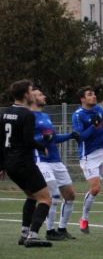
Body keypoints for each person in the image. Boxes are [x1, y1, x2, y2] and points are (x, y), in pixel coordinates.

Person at [0, 80, 52, 247]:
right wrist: (42, 147)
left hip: (10, 164)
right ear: (25, 95)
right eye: (31, 91)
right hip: (24, 162)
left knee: (31, 196)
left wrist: (1, 165)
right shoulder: (27, 114)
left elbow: (2, 141)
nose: (33, 94)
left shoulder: (5, 112)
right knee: (45, 199)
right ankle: (33, 235)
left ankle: (24, 233)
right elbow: (28, 140)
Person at [72, 86, 103, 234]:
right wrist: (93, 125)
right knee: (95, 189)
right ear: (82, 99)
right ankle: (84, 218)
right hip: (88, 156)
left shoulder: (99, 109)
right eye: (89, 94)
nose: (93, 96)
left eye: (94, 94)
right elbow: (80, 137)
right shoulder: (78, 115)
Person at [32, 88, 78, 240]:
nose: (43, 96)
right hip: (41, 160)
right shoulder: (28, 116)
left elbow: (53, 138)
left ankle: (62, 228)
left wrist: (70, 135)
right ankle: (50, 231)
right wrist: (43, 139)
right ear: (31, 98)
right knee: (53, 194)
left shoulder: (45, 116)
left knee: (70, 195)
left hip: (56, 160)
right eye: (39, 94)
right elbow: (29, 139)